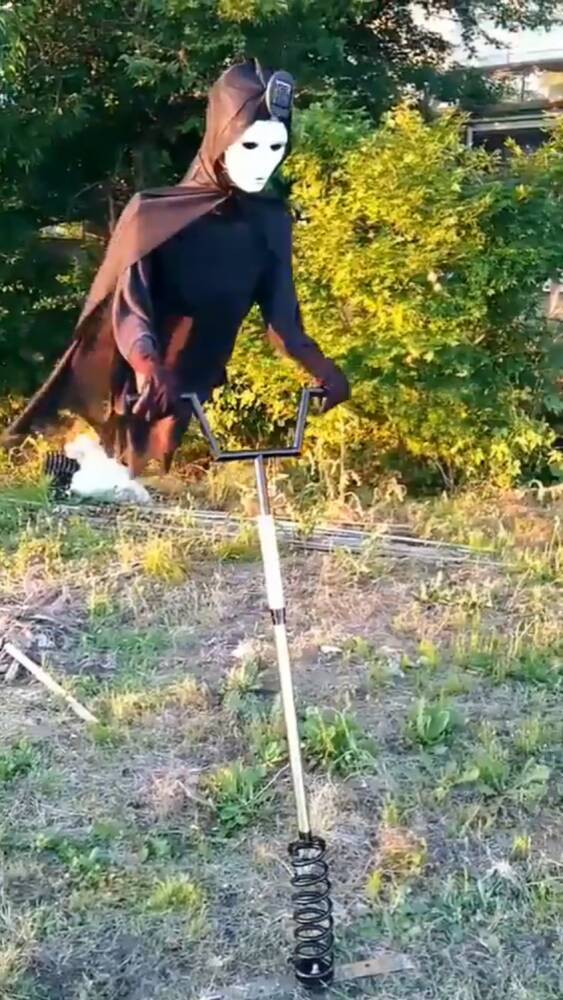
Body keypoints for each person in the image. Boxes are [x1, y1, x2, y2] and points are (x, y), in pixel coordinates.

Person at [4, 59, 350, 474]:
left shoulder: (269, 220)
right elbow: (130, 306)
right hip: (132, 369)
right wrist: (147, 365)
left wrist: (321, 367)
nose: (264, 162)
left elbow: (282, 318)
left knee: (152, 469)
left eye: (276, 148)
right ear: (221, 140)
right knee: (101, 466)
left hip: (193, 376)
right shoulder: (153, 214)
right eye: (250, 146)